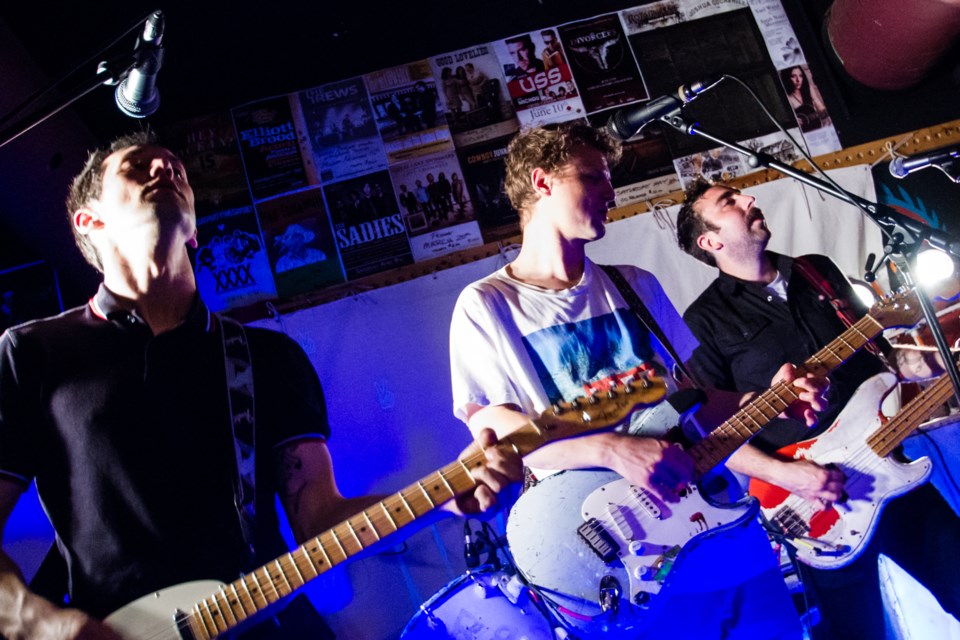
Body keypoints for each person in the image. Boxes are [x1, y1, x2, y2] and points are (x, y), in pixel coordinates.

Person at [0, 131, 522, 639]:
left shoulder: (267, 357)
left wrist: (447, 497)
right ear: (89, 221)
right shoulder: (33, 352)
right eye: (138, 167)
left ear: (194, 230)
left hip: (268, 622)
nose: (166, 170)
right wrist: (39, 621)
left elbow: (319, 518)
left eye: (177, 170)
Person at [449, 122, 829, 638]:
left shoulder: (634, 283)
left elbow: (691, 399)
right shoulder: (488, 304)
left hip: (716, 527)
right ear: (541, 183)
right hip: (622, 554)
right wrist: (612, 449)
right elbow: (500, 437)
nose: (610, 193)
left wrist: (765, 399)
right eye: (592, 178)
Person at [676, 178, 960, 640]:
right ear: (711, 241)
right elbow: (708, 433)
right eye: (730, 202)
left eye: (743, 194)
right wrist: (790, 476)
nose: (750, 200)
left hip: (891, 465)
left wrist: (942, 363)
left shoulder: (816, 272)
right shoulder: (703, 320)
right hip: (811, 501)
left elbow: (886, 361)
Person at [780, 66, 828, 132]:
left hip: (816, 125)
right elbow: (785, 119)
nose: (798, 80)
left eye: (800, 76)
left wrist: (825, 113)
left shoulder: (808, 88)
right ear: (786, 78)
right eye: (793, 76)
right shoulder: (787, 97)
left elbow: (820, 106)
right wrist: (793, 122)